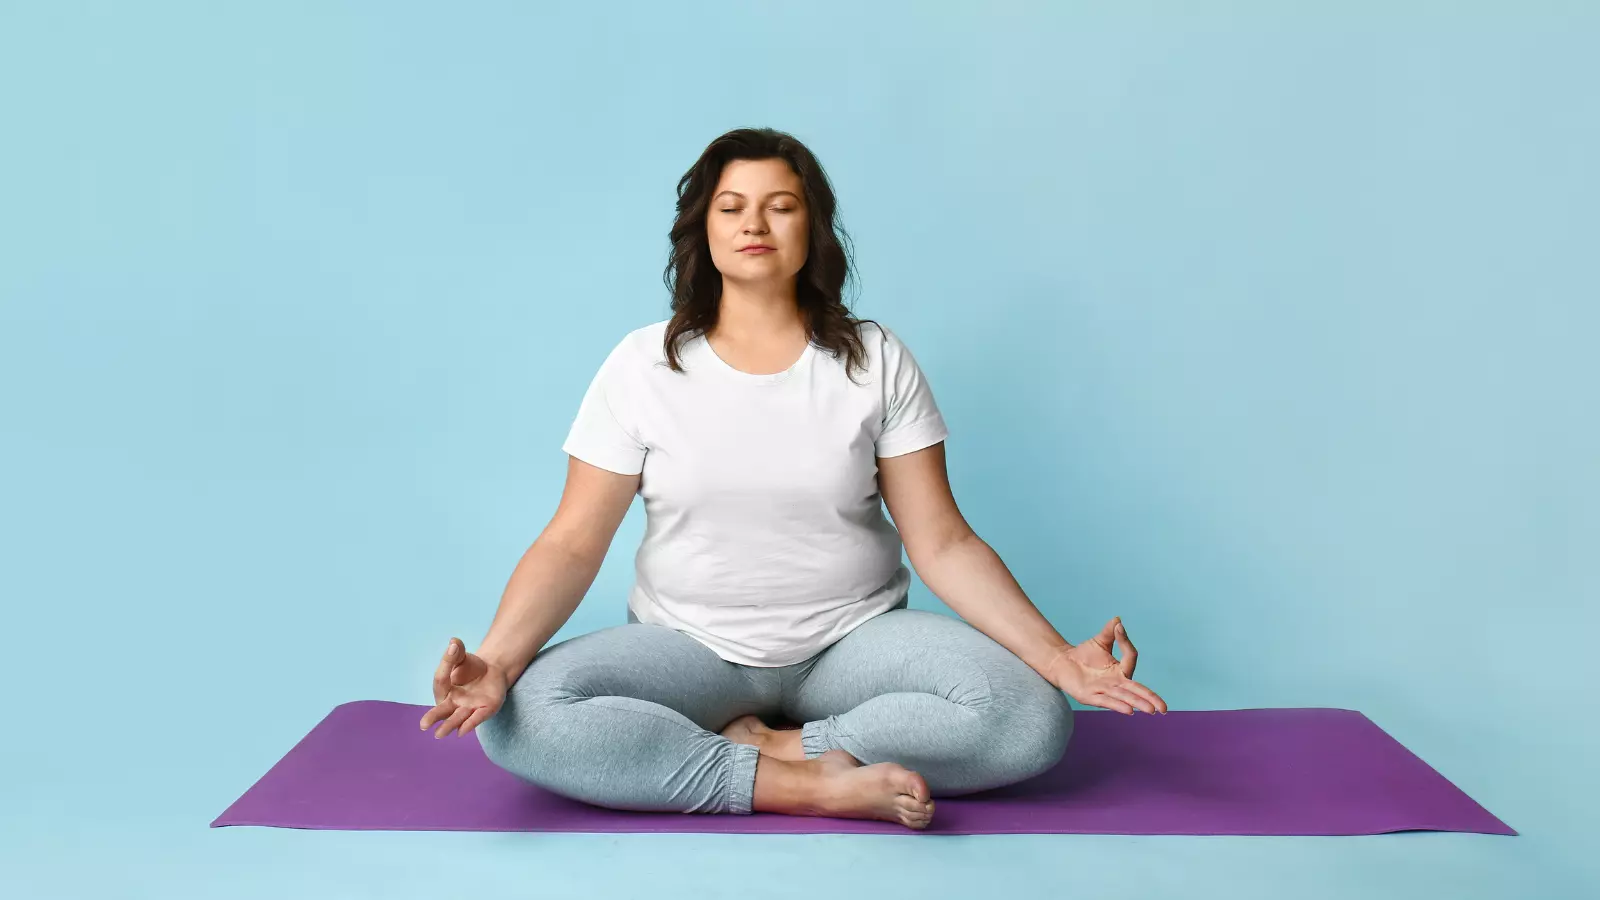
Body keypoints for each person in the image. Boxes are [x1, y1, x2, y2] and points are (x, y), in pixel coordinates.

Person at [419, 127, 1167, 830]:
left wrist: (1056, 656)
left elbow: (941, 541)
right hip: (689, 649)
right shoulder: (641, 366)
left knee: (1029, 718)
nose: (756, 225)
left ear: (812, 229)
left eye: (782, 207)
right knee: (521, 718)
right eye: (733, 207)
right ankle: (803, 785)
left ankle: (786, 748)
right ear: (702, 228)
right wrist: (500, 661)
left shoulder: (874, 359)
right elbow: (573, 542)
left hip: (852, 643)